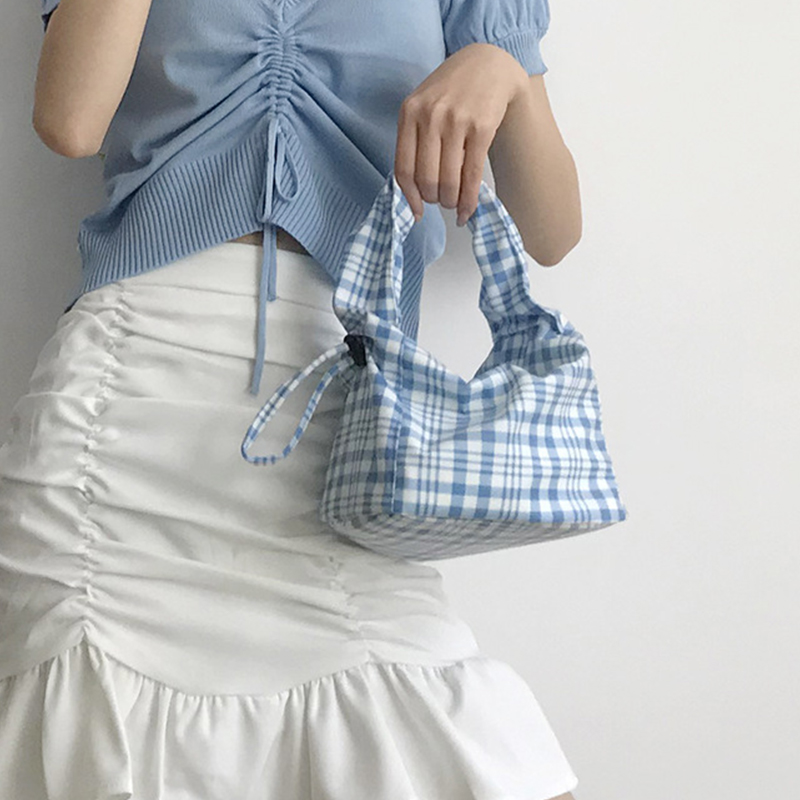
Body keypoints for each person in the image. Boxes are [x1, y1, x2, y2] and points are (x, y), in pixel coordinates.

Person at [0, 0, 583, 797]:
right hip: (123, 404)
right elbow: (71, 120)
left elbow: (553, 229)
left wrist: (503, 67)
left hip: (343, 420)